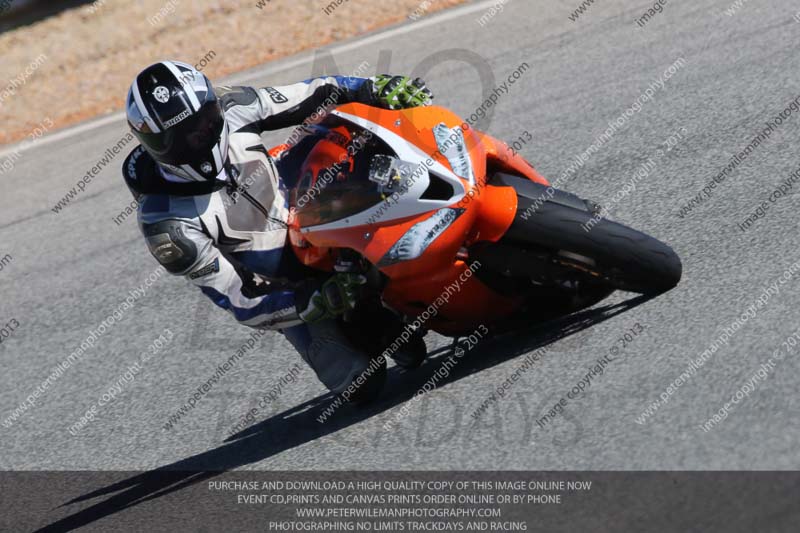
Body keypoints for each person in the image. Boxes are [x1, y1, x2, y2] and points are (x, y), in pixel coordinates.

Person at [122, 60, 432, 404]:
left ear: (213, 106)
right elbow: (240, 300)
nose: (200, 137)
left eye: (206, 123)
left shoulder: (234, 106)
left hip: (314, 212)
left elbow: (317, 92)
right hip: (285, 286)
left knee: (361, 141)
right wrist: (308, 301)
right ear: (152, 144)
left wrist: (371, 88)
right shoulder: (168, 225)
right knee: (360, 384)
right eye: (183, 137)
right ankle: (367, 321)